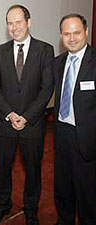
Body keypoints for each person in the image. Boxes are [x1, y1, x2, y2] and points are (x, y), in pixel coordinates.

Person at [0, 5, 54, 225]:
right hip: (4, 123)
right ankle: (2, 205)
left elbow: (46, 88)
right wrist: (9, 114)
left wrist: (26, 117)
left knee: (33, 169)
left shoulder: (45, 50)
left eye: (18, 22)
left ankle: (31, 209)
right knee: (3, 168)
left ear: (29, 22)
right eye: (10, 23)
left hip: (32, 124)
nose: (14, 27)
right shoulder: (0, 51)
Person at [53, 14, 96, 225]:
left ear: (86, 32)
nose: (71, 38)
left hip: (87, 139)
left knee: (87, 191)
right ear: (61, 35)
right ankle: (64, 220)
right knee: (63, 186)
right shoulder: (58, 63)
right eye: (67, 33)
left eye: (76, 32)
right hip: (61, 134)